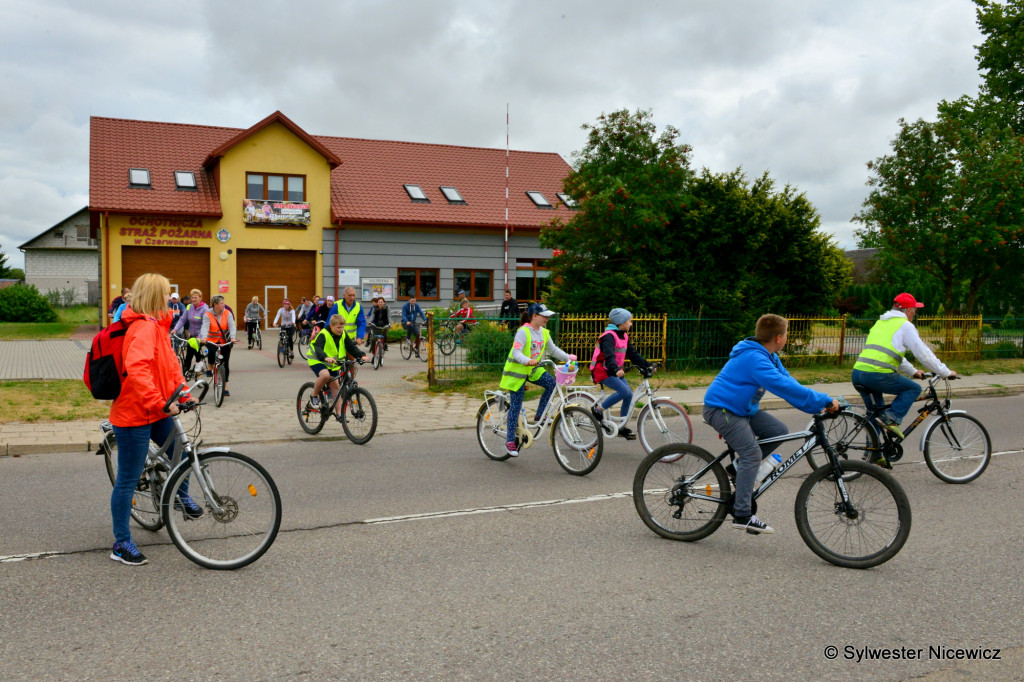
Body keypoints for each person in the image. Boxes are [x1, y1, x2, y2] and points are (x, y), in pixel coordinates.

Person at [702, 314, 839, 535]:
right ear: (778, 337)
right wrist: (822, 400)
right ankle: (742, 514)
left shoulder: (769, 356)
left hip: (741, 409)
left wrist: (819, 403)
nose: (786, 338)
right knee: (752, 454)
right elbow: (781, 386)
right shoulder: (755, 359)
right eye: (785, 334)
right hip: (722, 410)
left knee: (778, 431)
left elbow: (789, 382)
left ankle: (737, 469)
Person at [108, 273, 198, 566]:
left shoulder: (157, 327)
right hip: (134, 413)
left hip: (157, 408)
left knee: (181, 454)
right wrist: (158, 402)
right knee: (127, 480)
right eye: (166, 293)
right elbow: (137, 370)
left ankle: (180, 496)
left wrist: (184, 394)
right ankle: (121, 543)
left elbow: (171, 367)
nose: (170, 298)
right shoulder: (142, 328)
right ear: (154, 296)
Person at [852, 293, 956, 446]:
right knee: (913, 389)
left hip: (858, 373)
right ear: (908, 311)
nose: (914, 314)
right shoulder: (905, 325)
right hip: (877, 375)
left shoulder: (880, 323)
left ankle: (872, 455)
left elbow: (891, 354)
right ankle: (892, 419)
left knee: (876, 415)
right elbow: (924, 354)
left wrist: (913, 372)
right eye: (914, 310)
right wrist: (945, 372)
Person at [499, 303, 576, 457]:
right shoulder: (523, 332)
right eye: (544, 316)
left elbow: (552, 349)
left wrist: (568, 357)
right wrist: (527, 360)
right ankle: (509, 441)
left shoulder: (544, 333)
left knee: (552, 384)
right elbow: (516, 352)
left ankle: (539, 414)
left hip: (533, 370)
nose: (547, 319)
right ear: (534, 316)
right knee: (516, 405)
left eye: (548, 316)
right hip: (518, 372)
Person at [588, 308, 653, 440]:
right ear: (621, 322)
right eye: (629, 321)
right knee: (625, 392)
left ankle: (622, 427)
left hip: (614, 371)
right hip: (603, 371)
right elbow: (609, 356)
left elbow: (633, 354)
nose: (631, 324)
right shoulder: (609, 336)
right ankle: (598, 409)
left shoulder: (623, 335)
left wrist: (647, 365)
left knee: (628, 394)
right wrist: (615, 370)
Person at [307, 314, 366, 419]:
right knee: (325, 375)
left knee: (335, 386)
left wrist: (362, 355)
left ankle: (339, 414)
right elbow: (318, 347)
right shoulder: (324, 334)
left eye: (342, 327)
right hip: (317, 359)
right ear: (331, 325)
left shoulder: (343, 334)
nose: (341, 329)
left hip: (332, 362)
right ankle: (314, 395)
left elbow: (351, 347)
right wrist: (325, 357)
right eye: (338, 327)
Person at [199, 294, 238, 397]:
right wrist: (204, 337)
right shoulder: (208, 314)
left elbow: (232, 326)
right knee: (211, 351)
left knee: (225, 364)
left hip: (225, 341)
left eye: (223, 303)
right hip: (212, 340)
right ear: (215, 304)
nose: (223, 305)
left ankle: (225, 387)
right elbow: (205, 327)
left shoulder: (227, 313)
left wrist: (233, 337)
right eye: (221, 303)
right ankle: (211, 365)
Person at [172, 289, 209, 375]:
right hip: (192, 335)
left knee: (193, 346)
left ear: (200, 298)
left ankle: (199, 361)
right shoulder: (189, 307)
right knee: (188, 356)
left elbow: (205, 325)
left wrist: (200, 337)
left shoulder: (205, 309)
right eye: (192, 298)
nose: (193, 300)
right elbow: (182, 320)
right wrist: (175, 329)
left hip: (202, 335)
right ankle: (185, 375)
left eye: (195, 298)